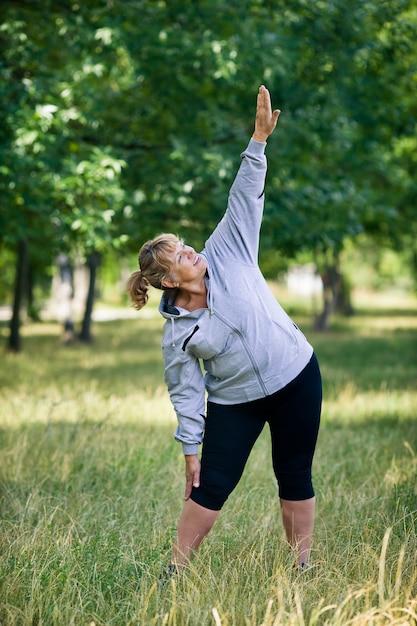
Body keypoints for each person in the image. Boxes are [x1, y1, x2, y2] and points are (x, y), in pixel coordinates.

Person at [127, 86, 322, 574]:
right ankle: (175, 569)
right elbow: (186, 391)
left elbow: (243, 198)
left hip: (295, 374)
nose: (193, 251)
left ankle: (302, 567)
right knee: (211, 484)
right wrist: (190, 449)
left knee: (294, 474)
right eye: (181, 256)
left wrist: (257, 142)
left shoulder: (228, 249)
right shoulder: (178, 331)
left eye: (186, 245)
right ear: (170, 280)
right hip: (236, 401)